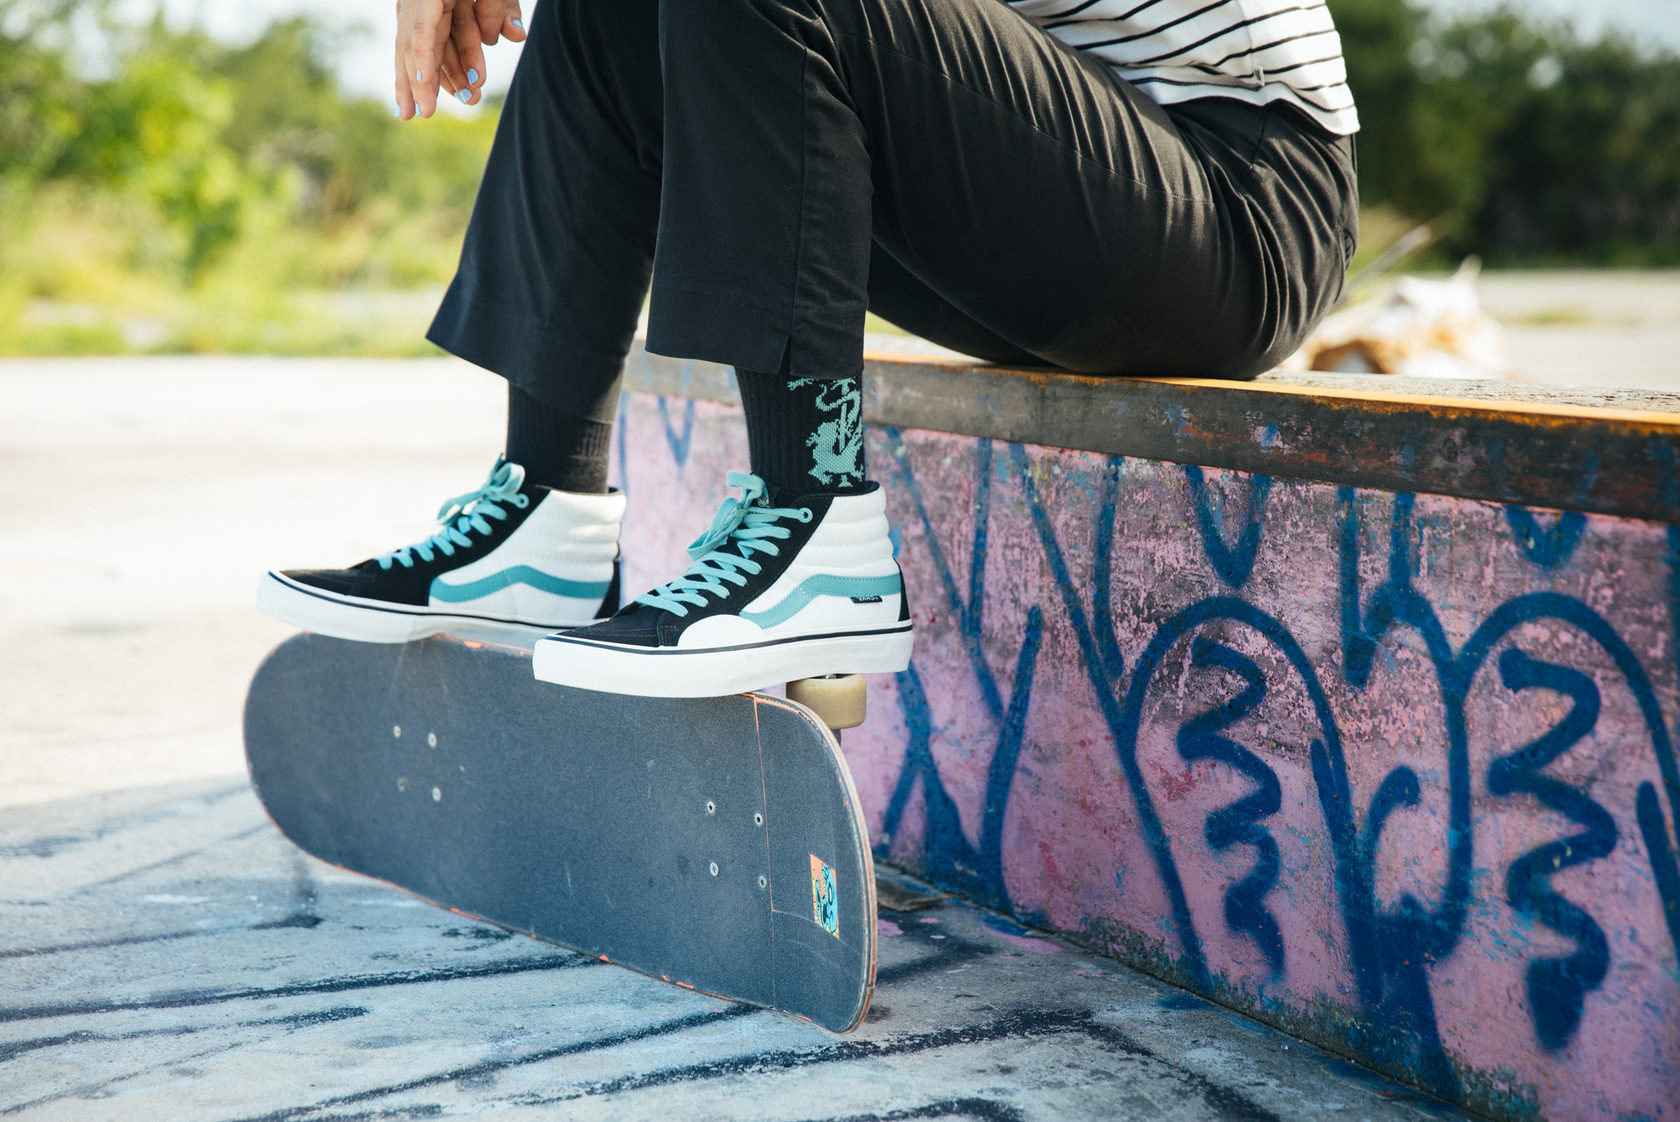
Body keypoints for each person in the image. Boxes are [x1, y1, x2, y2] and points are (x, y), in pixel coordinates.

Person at [259, 0, 1358, 698]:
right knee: (602, 12)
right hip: (1060, 193)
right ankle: (545, 516)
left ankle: (815, 513)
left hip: (1237, 195)